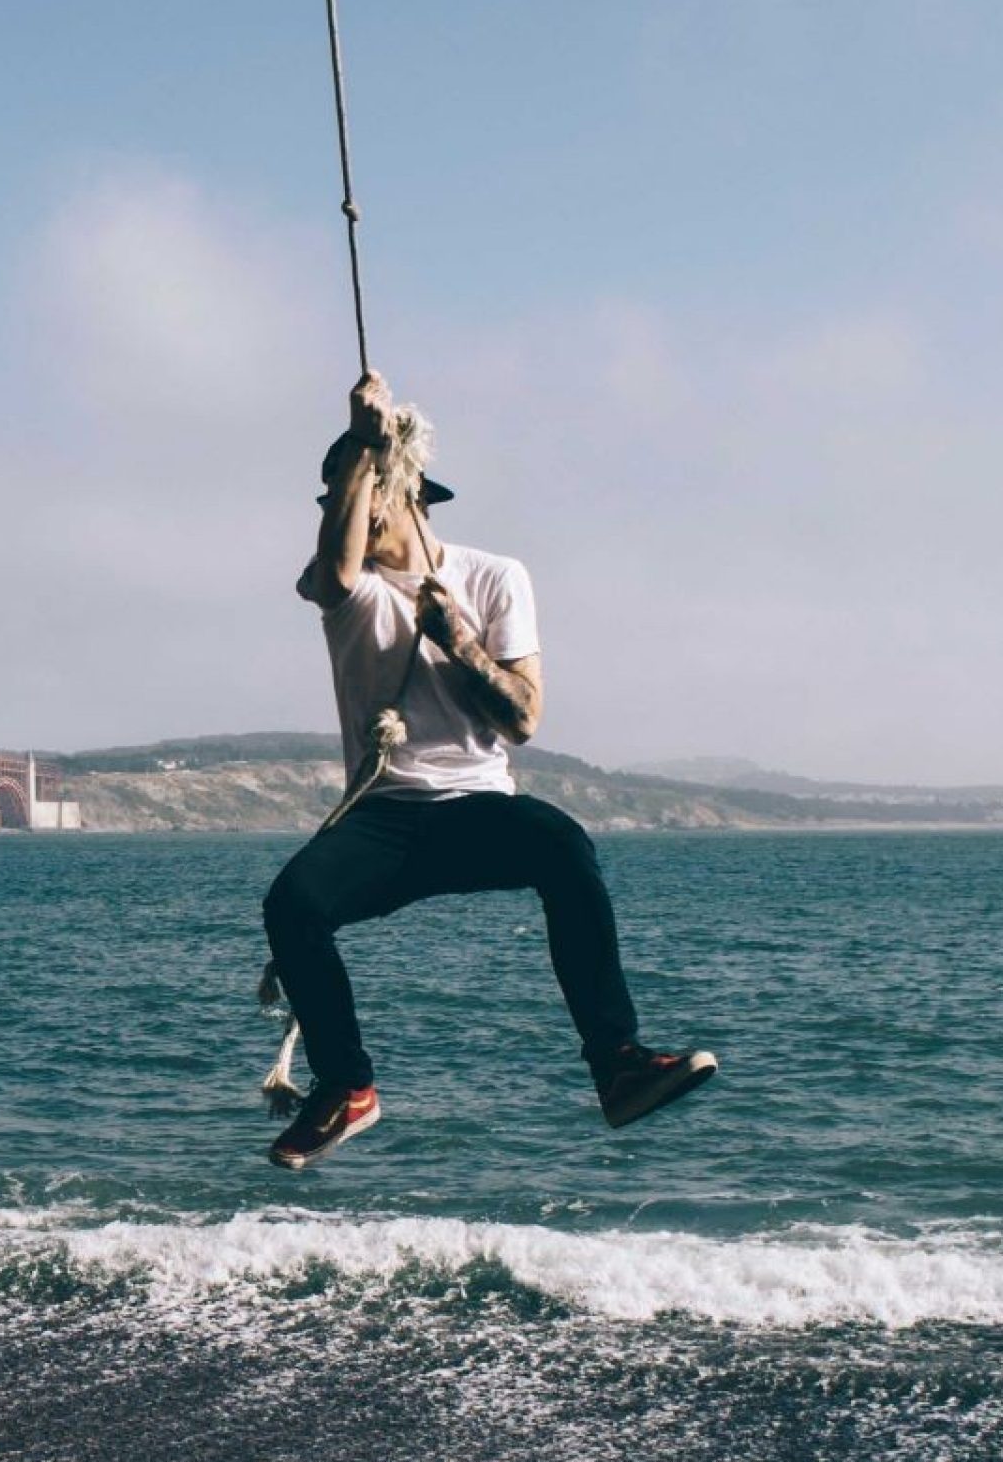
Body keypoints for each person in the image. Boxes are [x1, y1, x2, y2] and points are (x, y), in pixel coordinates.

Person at [263, 371, 714, 1170]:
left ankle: (616, 1063)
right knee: (292, 905)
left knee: (561, 846)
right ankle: (346, 1088)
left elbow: (523, 717)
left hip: (472, 806)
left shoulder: (494, 577)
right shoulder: (346, 587)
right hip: (383, 816)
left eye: (355, 491)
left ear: (401, 495)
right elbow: (331, 571)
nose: (342, 512)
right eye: (335, 496)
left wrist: (452, 637)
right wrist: (364, 445)